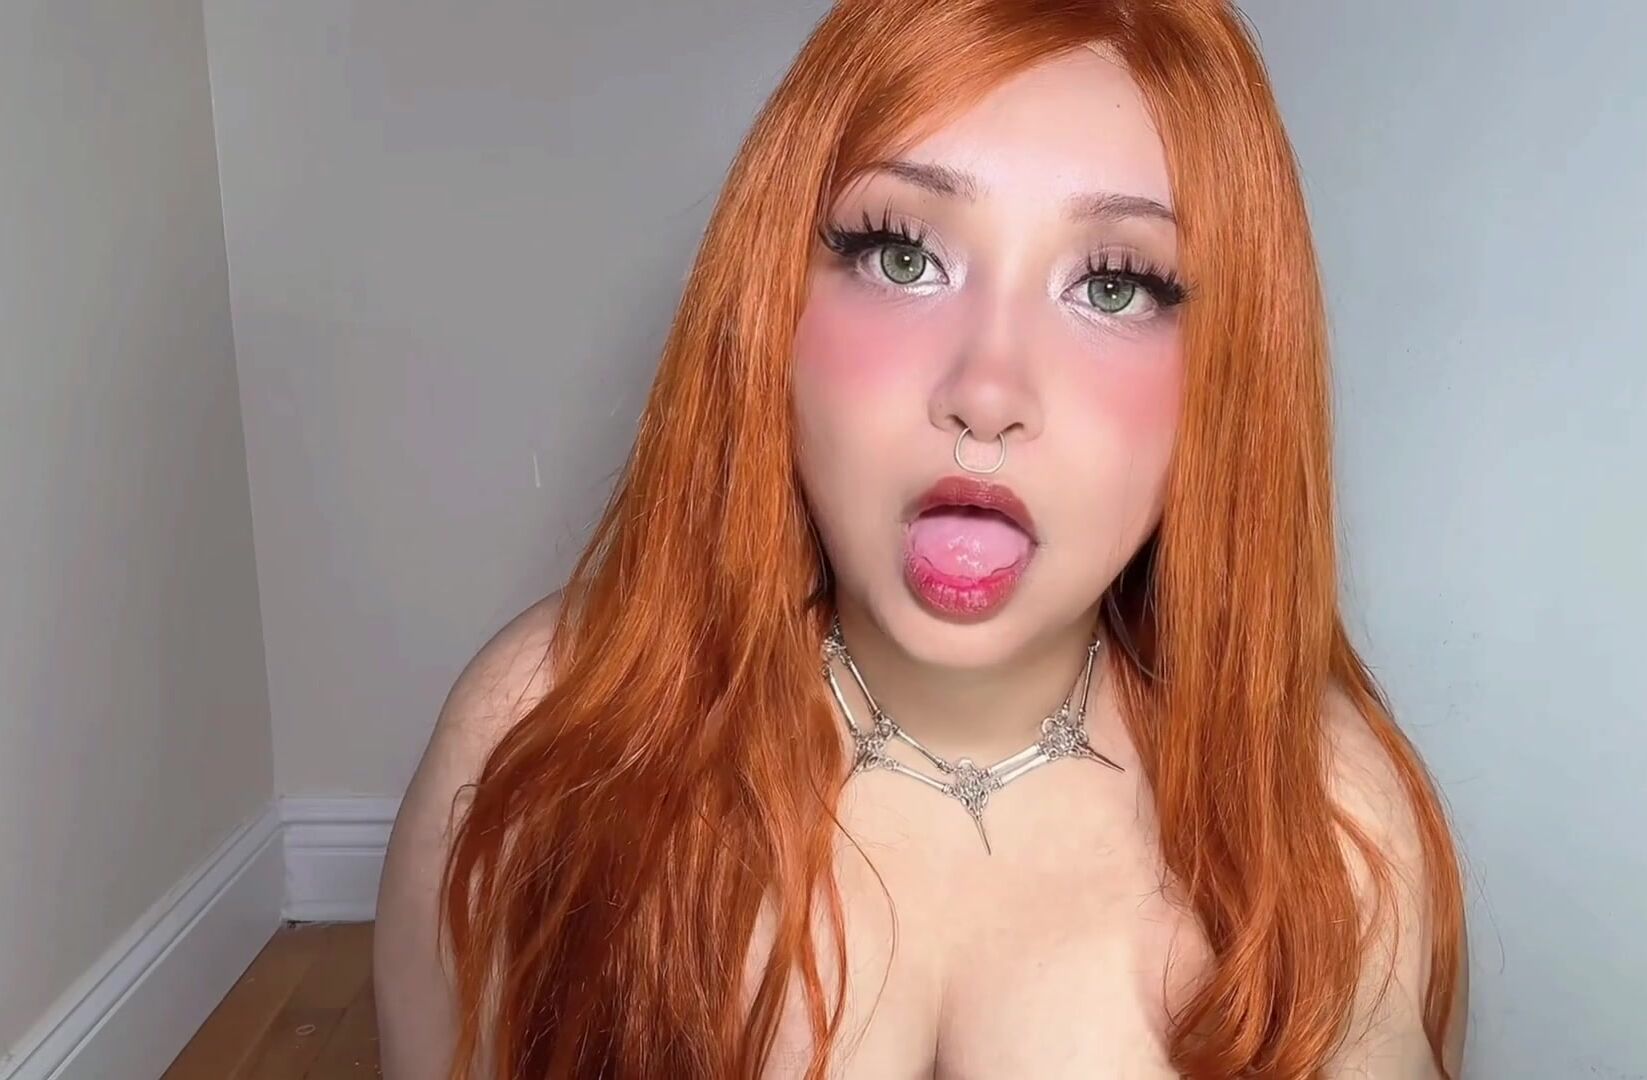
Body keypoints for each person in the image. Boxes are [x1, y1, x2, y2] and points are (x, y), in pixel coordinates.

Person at [375, 1, 1469, 1076]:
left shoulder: (1327, 814)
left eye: (1114, 285)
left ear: (1231, 371)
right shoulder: (541, 727)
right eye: (901, 257)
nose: (986, 392)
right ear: (770, 306)